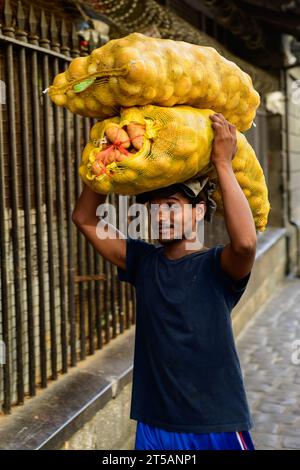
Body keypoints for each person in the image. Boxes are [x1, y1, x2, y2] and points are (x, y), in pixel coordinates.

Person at [72, 113, 257, 450]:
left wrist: (223, 163)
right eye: (153, 208)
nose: (161, 216)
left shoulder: (218, 267)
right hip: (154, 424)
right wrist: (103, 162)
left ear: (199, 211)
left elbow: (245, 244)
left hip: (214, 423)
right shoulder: (142, 262)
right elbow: (84, 219)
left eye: (172, 206)